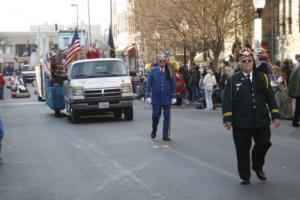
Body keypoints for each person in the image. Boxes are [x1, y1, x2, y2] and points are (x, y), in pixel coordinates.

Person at [222, 47, 280, 185]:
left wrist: (275, 115)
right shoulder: (233, 80)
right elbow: (227, 101)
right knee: (242, 150)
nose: (247, 63)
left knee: (264, 143)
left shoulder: (263, 78)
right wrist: (228, 119)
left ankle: (257, 166)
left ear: (253, 62)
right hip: (241, 121)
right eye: (244, 61)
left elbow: (270, 98)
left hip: (261, 120)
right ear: (239, 64)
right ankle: (245, 175)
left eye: (249, 60)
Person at [145, 53, 176, 141]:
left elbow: (173, 84)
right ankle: (154, 129)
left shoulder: (169, 70)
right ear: (158, 61)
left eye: (163, 61)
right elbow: (149, 84)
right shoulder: (153, 71)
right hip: (156, 98)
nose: (162, 62)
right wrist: (148, 95)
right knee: (156, 116)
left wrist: (174, 96)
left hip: (167, 97)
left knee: (167, 117)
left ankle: (165, 135)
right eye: (160, 61)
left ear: (165, 61)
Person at [288, 57, 300, 127]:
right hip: (298, 91)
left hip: (297, 91)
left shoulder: (296, 68)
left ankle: (295, 121)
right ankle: (295, 121)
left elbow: (291, 78)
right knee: (298, 107)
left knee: (298, 106)